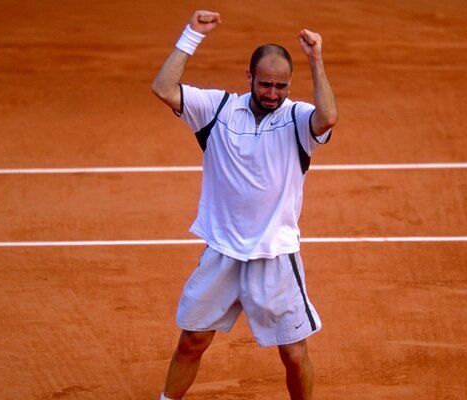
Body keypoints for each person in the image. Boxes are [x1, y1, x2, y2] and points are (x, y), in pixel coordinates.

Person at [151, 9, 338, 400]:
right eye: (265, 84)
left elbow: (328, 116)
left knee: (293, 350)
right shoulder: (216, 110)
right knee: (191, 342)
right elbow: (164, 88)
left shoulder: (298, 118)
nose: (273, 93)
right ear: (248, 77)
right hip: (222, 253)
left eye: (281, 86)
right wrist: (191, 35)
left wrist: (316, 59)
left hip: (275, 255)